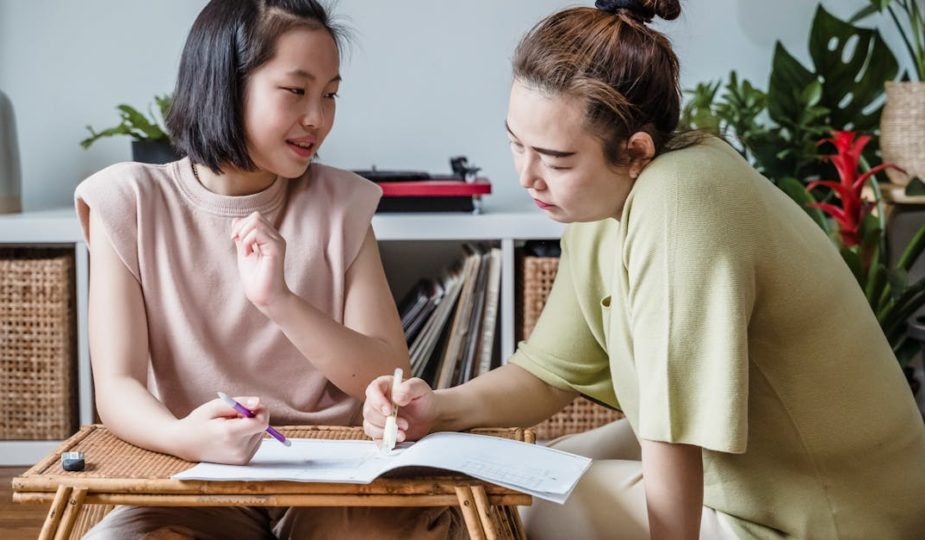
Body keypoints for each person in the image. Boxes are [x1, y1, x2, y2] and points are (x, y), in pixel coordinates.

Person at [362, 1, 925, 539]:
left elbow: (672, 432)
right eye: (517, 145)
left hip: (830, 517)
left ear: (635, 151)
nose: (528, 176)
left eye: (556, 159)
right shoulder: (599, 203)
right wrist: (436, 408)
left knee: (520, 502)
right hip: (753, 473)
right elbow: (546, 375)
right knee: (533, 468)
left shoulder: (680, 199)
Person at [76, 1, 459, 538]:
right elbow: (116, 386)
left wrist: (279, 299)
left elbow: (383, 371)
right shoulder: (129, 202)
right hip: (197, 477)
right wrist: (187, 438)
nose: (318, 118)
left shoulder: (342, 203)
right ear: (225, 86)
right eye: (296, 91)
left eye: (329, 95)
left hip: (334, 475)